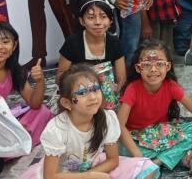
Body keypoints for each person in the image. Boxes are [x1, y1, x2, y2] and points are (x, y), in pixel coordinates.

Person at [20, 64, 159, 178]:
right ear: (67, 103)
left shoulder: (107, 118)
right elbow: (50, 176)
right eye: (82, 93)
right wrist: (89, 176)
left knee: (147, 168)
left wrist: (92, 174)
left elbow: (113, 160)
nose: (93, 97)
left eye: (96, 89)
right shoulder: (57, 129)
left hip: (94, 165)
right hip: (63, 175)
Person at [118, 41, 192, 173]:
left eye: (159, 64)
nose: (153, 70)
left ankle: (157, 162)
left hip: (160, 132)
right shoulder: (132, 89)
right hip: (136, 138)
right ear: (138, 68)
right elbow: (119, 126)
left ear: (168, 66)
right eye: (147, 65)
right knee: (119, 148)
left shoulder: (170, 86)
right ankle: (173, 157)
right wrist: (138, 156)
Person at [57, 0, 126, 92]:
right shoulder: (72, 43)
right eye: (91, 17)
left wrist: (116, 89)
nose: (98, 22)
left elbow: (121, 78)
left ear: (111, 21)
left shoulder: (115, 43)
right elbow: (60, 77)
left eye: (103, 17)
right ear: (82, 21)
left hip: (106, 95)